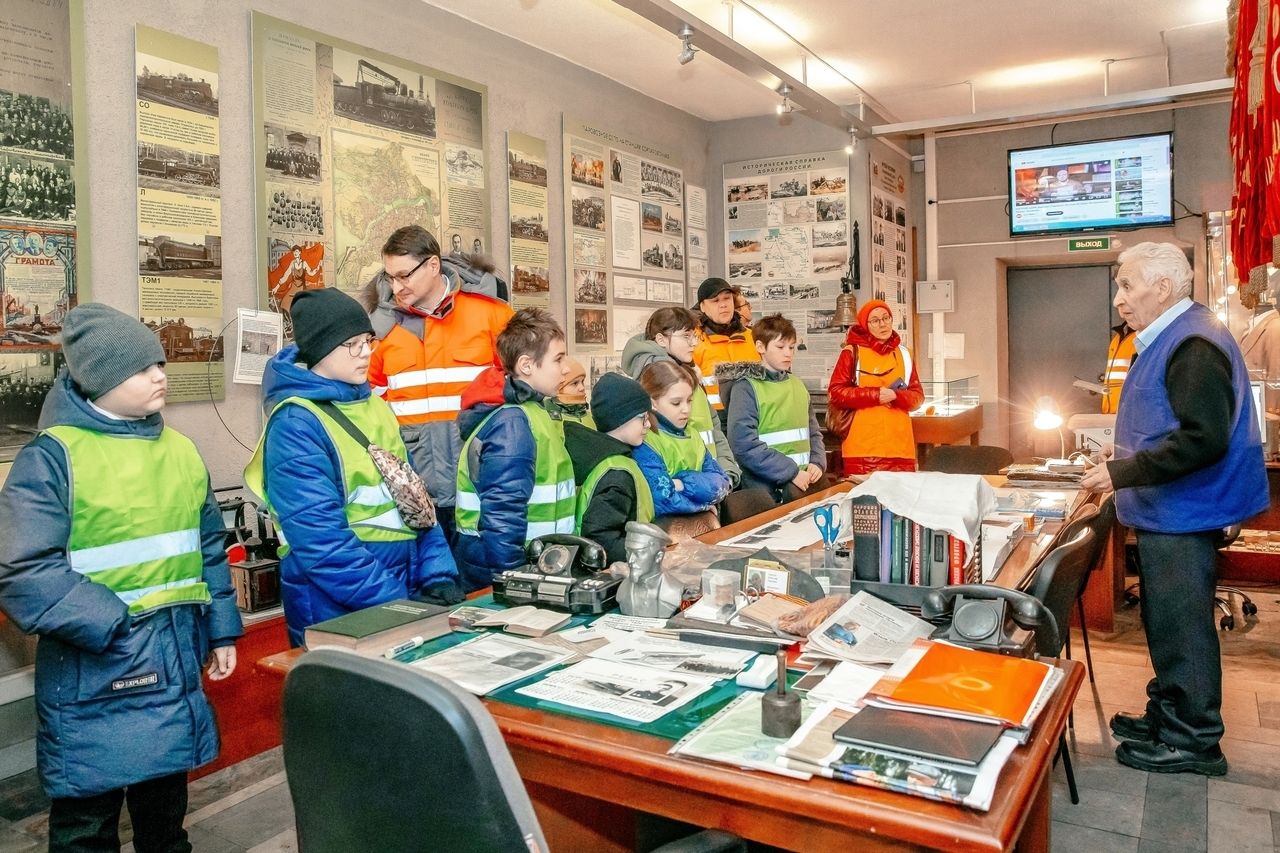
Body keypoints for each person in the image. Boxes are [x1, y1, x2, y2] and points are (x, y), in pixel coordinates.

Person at [0, 303, 241, 851]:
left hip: (174, 656)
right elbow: (21, 569)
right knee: (87, 822)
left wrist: (222, 627)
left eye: (159, 363)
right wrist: (112, 624)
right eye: (142, 369)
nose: (160, 375)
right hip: (95, 665)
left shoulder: (179, 450)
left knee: (165, 818)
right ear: (99, 382)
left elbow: (208, 547)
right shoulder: (53, 458)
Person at [1080, 242, 1268, 777]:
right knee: (1165, 621)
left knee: (1182, 626)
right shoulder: (1177, 335)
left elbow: (1202, 438)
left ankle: (1193, 740)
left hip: (1187, 512)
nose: (1119, 299)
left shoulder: (1193, 343)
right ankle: (1167, 713)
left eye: (1126, 285)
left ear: (1162, 288)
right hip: (1172, 508)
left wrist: (1123, 473)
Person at [245, 288, 460, 647]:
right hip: (338, 606)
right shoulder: (297, 423)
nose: (365, 353)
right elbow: (322, 543)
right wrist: (397, 603)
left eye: (368, 341)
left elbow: (415, 499)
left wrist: (438, 574)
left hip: (401, 585)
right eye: (351, 344)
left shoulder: (374, 405)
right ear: (318, 348)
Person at [364, 225, 513, 547]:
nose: (396, 286)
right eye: (390, 277)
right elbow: (370, 405)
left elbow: (518, 391)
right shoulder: (382, 329)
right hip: (416, 492)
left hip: (480, 481)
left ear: (433, 266)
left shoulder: (492, 314)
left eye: (404, 275)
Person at [455, 308, 576, 590]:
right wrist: (515, 581)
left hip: (535, 560)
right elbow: (502, 513)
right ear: (526, 365)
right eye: (558, 359)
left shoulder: (533, 411)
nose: (566, 368)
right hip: (511, 567)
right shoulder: (512, 422)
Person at [621, 306, 740, 487]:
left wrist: (728, 472)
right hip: (685, 490)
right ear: (661, 339)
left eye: (695, 336)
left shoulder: (688, 373)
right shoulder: (651, 381)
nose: (694, 343)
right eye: (686, 336)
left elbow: (714, 426)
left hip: (713, 481)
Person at [727, 314, 826, 503]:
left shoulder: (797, 384)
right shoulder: (746, 388)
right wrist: (791, 472)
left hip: (804, 484)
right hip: (765, 491)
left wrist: (817, 461)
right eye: (780, 347)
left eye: (791, 347)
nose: (788, 353)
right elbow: (743, 444)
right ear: (760, 347)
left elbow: (813, 431)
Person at [564, 373, 655, 564]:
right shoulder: (617, 474)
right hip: (617, 572)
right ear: (620, 419)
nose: (648, 424)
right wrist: (642, 556)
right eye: (642, 418)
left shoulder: (606, 460)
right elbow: (600, 537)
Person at [827, 299, 924, 476]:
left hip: (901, 448)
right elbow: (836, 393)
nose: (883, 324)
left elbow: (917, 397)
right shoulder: (852, 352)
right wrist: (876, 395)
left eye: (886, 318)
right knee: (867, 502)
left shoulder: (905, 354)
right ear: (865, 325)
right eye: (875, 320)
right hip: (863, 448)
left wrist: (895, 396)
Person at [633, 360, 732, 520]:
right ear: (653, 403)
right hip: (663, 532)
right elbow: (662, 498)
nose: (686, 409)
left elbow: (723, 483)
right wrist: (701, 506)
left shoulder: (693, 435)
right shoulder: (645, 440)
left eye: (689, 400)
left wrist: (682, 483)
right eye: (676, 403)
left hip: (700, 526)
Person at [691, 277, 759, 420]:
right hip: (713, 419)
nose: (723, 305)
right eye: (715, 301)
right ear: (702, 306)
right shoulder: (693, 341)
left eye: (727, 299)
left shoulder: (753, 337)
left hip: (754, 415)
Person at [1102, 321, 1137, 414]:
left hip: (1129, 411)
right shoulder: (1117, 338)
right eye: (1119, 305)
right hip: (1110, 409)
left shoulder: (1143, 337)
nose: (1122, 308)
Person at [555, 356, 593, 426]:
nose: (582, 388)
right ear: (558, 386)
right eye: (575, 383)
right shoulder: (549, 417)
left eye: (582, 381)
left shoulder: (590, 416)